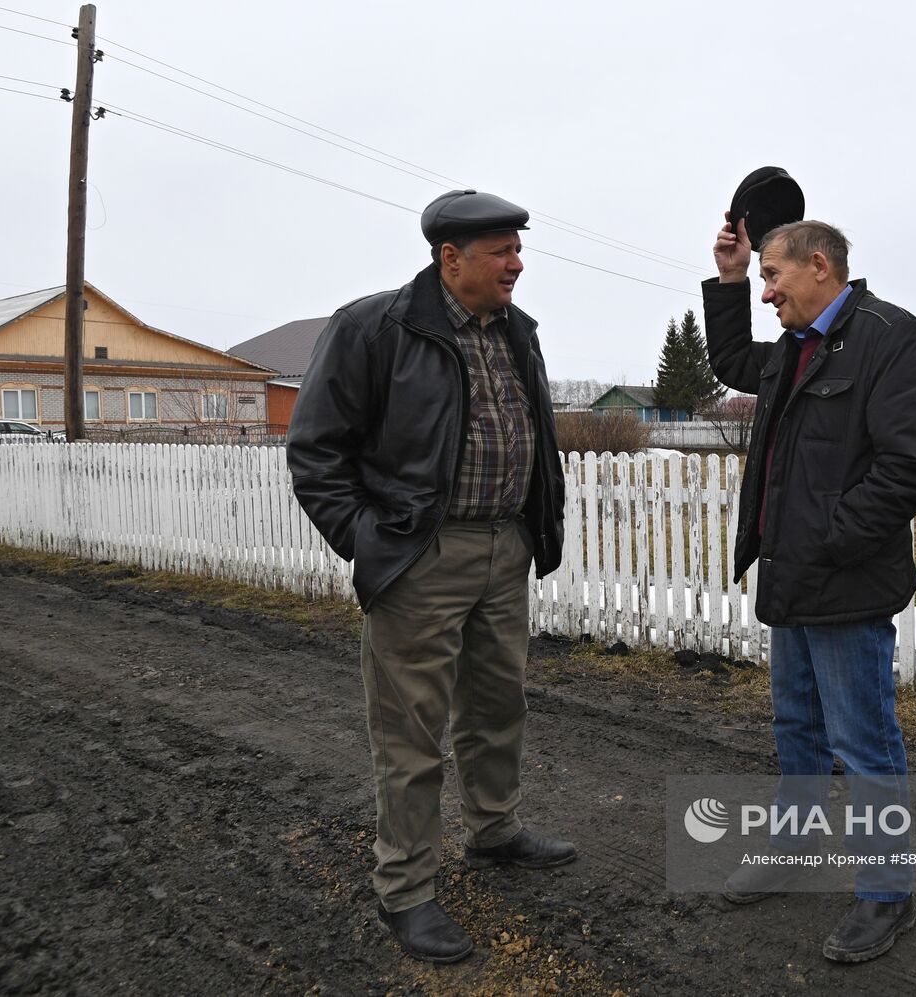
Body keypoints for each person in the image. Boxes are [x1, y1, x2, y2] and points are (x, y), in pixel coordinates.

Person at [287, 189, 573, 964]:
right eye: (502, 250)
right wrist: (372, 543)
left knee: (498, 704)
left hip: (504, 548)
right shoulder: (375, 327)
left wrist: (533, 523)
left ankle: (494, 829)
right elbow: (316, 452)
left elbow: (530, 432)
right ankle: (407, 888)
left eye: (517, 249)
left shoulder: (518, 331)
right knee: (410, 730)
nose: (518, 263)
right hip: (421, 559)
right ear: (451, 258)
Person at [704, 214, 916, 964]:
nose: (767, 292)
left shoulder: (889, 337)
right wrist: (729, 278)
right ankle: (792, 850)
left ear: (819, 265)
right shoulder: (794, 348)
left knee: (864, 742)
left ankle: (887, 892)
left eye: (773, 277)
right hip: (790, 577)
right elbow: (734, 360)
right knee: (798, 733)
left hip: (845, 580)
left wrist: (832, 535)